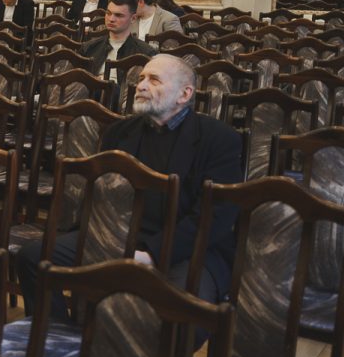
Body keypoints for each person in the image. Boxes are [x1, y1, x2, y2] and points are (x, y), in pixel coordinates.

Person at [14, 54, 242, 321]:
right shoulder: (119, 131)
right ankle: (57, 333)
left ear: (184, 94)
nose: (140, 85)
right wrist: (101, 238)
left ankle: (144, 349)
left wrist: (153, 254)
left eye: (154, 80)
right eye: (141, 78)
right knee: (33, 257)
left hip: (185, 249)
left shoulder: (218, 139)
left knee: (182, 308)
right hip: (119, 236)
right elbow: (101, 194)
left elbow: (214, 215)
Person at [82, 0, 157, 76]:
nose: (111, 19)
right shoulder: (89, 47)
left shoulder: (145, 53)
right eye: (108, 13)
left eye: (118, 15)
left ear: (133, 18)